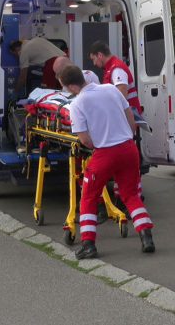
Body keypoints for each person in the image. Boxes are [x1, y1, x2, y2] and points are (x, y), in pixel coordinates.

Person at [58, 65, 155, 259]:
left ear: (70, 86)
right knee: (130, 194)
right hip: (128, 148)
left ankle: (88, 244)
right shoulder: (110, 89)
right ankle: (146, 237)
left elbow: (84, 140)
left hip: (105, 153)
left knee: (88, 197)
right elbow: (131, 118)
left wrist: (99, 144)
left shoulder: (77, 104)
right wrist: (126, 136)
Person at [88, 41, 146, 199]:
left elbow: (121, 95)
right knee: (124, 162)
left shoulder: (117, 69)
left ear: (100, 55)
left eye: (94, 59)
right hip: (125, 118)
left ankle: (133, 195)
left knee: (127, 162)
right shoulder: (111, 69)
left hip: (127, 119)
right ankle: (123, 195)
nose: (94, 63)